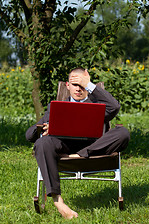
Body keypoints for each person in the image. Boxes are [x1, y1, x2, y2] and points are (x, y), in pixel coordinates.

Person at [26, 67, 130, 219]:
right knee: (43, 143)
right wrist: (44, 128)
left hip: (94, 148)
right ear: (67, 85)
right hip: (64, 147)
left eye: (82, 85)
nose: (79, 89)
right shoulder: (56, 107)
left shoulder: (98, 105)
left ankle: (81, 154)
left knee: (123, 133)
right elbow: (29, 135)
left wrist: (89, 84)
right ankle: (58, 201)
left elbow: (115, 107)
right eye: (75, 84)